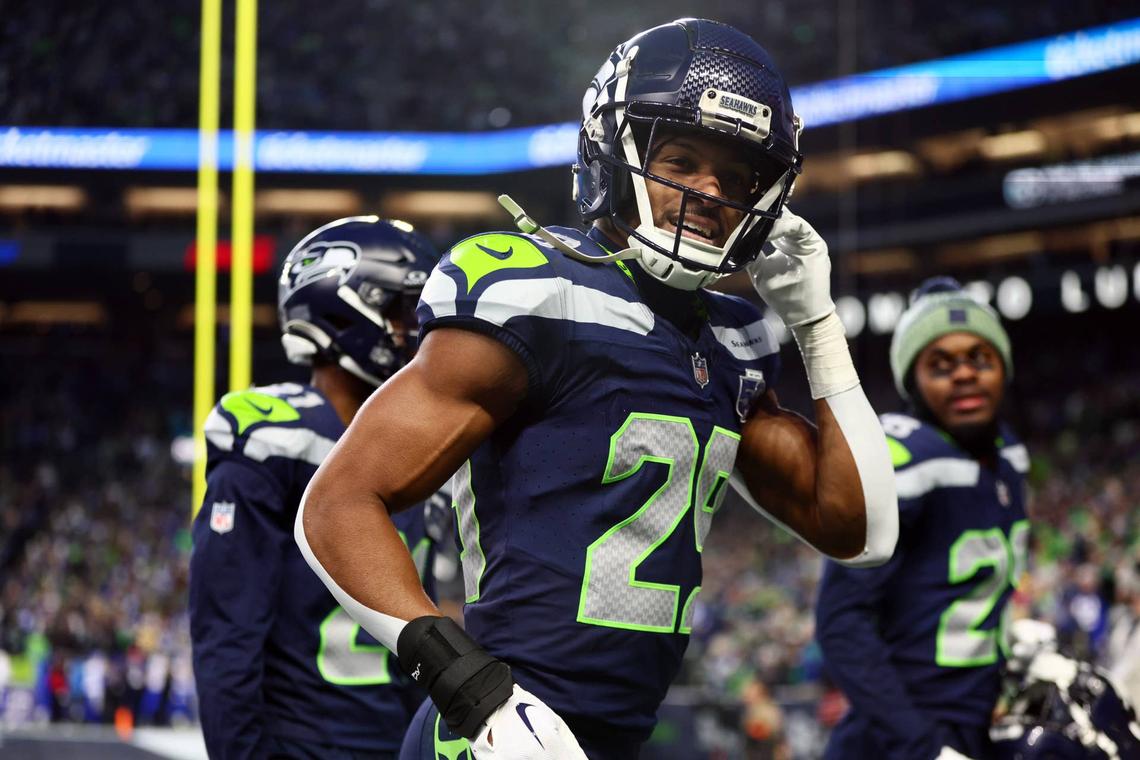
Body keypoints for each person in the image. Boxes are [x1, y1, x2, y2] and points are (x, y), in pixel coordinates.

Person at [296, 18, 898, 760]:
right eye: (682, 158)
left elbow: (862, 530)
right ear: (615, 153)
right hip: (494, 732)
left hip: (614, 739)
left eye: (736, 177)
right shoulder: (533, 290)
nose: (709, 192)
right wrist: (474, 693)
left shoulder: (736, 340)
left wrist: (815, 321)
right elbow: (335, 504)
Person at [189, 217, 448, 759]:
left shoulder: (423, 446)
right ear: (344, 307)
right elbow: (228, 642)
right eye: (402, 313)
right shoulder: (275, 439)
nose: (416, 335)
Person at [816, 277, 1030, 760]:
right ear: (913, 380)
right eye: (940, 364)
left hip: (977, 724)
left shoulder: (1009, 453)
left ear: (1003, 367)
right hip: (900, 738)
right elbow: (841, 622)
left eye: (980, 357)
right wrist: (922, 744)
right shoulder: (902, 458)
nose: (964, 374)